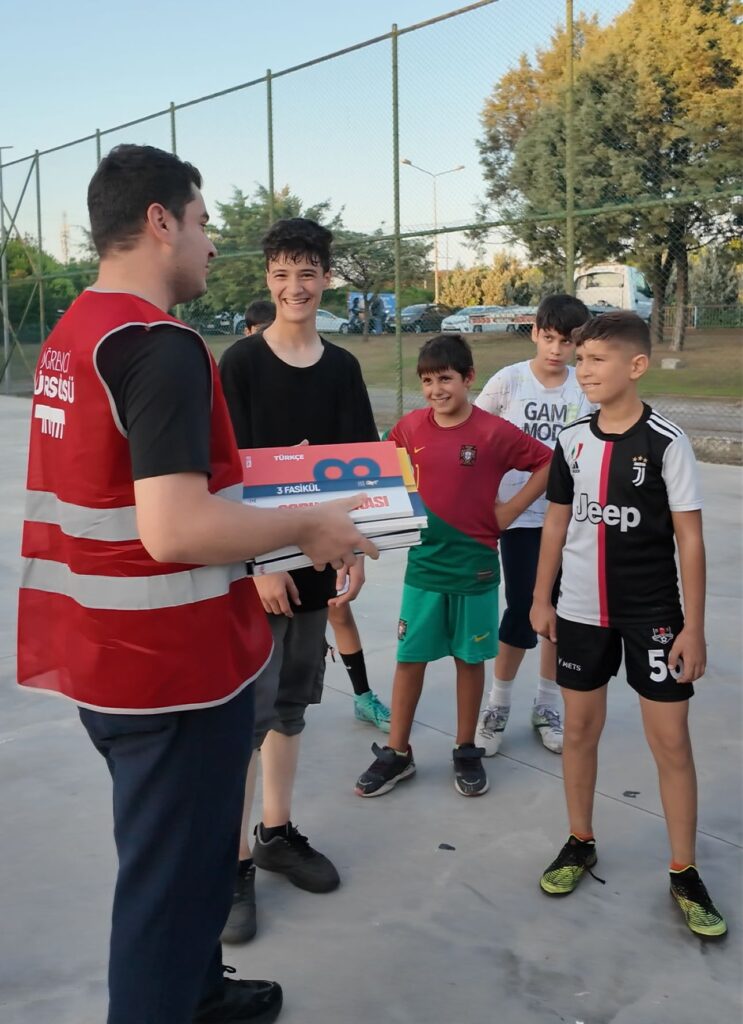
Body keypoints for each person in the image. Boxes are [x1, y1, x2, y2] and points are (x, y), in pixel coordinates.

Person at [16, 144, 378, 1024]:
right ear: (160, 221)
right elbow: (173, 526)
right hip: (167, 671)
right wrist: (306, 526)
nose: (212, 244)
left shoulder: (74, 334)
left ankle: (200, 990)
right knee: (166, 887)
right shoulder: (160, 346)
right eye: (205, 222)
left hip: (103, 655)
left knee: (177, 862)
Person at [218, 217, 389, 946]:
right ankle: (231, 870)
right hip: (258, 578)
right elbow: (222, 481)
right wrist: (257, 569)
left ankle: (277, 833)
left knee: (289, 709)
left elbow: (360, 470)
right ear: (268, 279)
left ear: (326, 279)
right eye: (283, 273)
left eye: (309, 273)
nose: (296, 286)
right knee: (242, 723)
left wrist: (353, 550)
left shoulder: (343, 369)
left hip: (314, 573)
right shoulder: (239, 366)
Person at [530, 311, 727, 939]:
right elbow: (557, 523)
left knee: (670, 741)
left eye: (595, 359)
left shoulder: (667, 441)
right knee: (580, 730)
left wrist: (693, 627)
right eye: (578, 358)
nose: (581, 369)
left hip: (654, 617)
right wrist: (542, 598)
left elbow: (690, 541)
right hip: (581, 612)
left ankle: (684, 870)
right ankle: (580, 840)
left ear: (635, 367)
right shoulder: (572, 439)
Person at [354, 333, 553, 800]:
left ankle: (466, 750)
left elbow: (548, 463)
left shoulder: (492, 432)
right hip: (424, 566)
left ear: (468, 378)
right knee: (410, 659)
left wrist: (509, 511)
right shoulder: (408, 428)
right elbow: (377, 471)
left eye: (445, 378)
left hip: (476, 567)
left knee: (469, 659)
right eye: (426, 380)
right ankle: (397, 752)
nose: (435, 389)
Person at [474, 294, 592, 757]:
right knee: (523, 606)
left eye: (567, 341)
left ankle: (547, 704)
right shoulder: (510, 381)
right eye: (549, 337)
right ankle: (497, 703)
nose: (557, 349)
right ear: (534, 333)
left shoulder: (583, 388)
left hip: (567, 519)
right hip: (521, 517)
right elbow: (477, 434)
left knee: (559, 612)